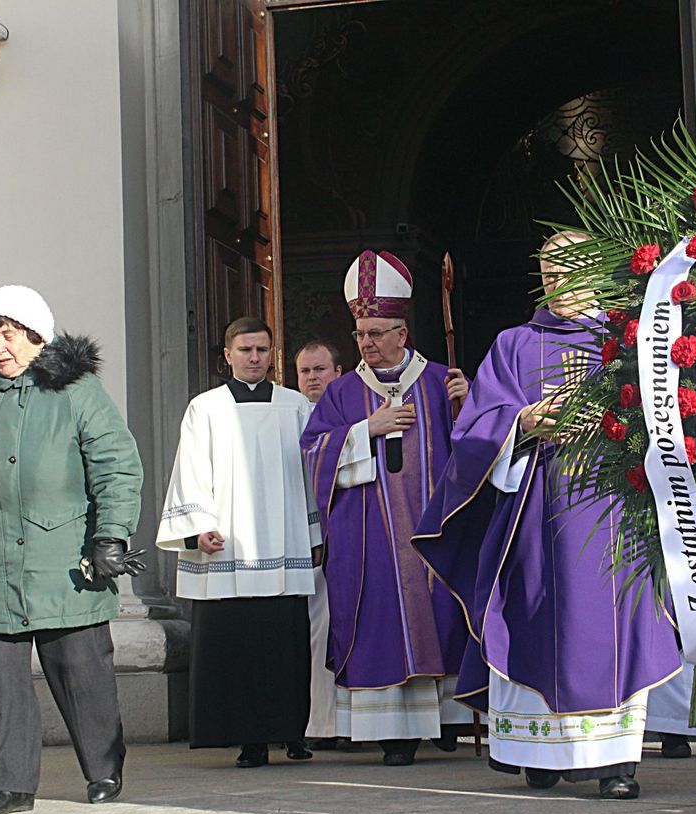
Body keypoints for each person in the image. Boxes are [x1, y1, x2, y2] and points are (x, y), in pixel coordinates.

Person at [414, 232, 681, 798]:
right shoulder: (514, 344)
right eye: (548, 271)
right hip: (534, 510)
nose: (557, 282)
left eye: (569, 270)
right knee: (531, 614)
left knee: (613, 624)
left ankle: (615, 765)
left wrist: (614, 426)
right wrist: (524, 422)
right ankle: (539, 753)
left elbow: (664, 412)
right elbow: (473, 428)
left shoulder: (628, 339)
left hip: (611, 506)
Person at [0, 286, 144, 814]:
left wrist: (111, 535)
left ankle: (104, 767)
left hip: (65, 563)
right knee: (2, 685)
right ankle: (10, 786)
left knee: (83, 675)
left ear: (37, 337)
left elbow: (116, 465)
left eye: (9, 335)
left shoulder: (77, 391)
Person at [301, 249, 470, 767]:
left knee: (447, 613)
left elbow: (479, 456)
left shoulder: (444, 382)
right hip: (371, 539)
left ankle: (449, 719)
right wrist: (361, 432)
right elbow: (311, 453)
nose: (367, 344)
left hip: (434, 532)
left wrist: (469, 410)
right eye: (360, 335)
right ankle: (396, 734)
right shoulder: (344, 393)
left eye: (376, 333)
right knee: (381, 621)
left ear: (402, 331)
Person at [157, 316, 320, 768]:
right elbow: (190, 469)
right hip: (226, 546)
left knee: (286, 644)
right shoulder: (205, 408)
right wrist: (196, 528)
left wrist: (313, 532)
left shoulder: (295, 407)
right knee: (240, 646)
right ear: (227, 355)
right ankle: (249, 738)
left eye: (262, 350)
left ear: (273, 355)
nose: (254, 358)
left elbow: (311, 476)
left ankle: (292, 732)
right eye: (245, 350)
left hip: (283, 545)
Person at [293, 339, 344, 747]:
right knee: (317, 630)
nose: (312, 379)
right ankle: (321, 723)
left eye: (320, 370)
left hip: (351, 532)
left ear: (338, 373)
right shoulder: (290, 415)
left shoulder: (351, 406)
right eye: (305, 372)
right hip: (310, 539)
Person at [295, 340, 343, 404]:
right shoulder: (283, 412)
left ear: (337, 372)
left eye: (320, 369)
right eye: (305, 371)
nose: (311, 377)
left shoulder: (355, 407)